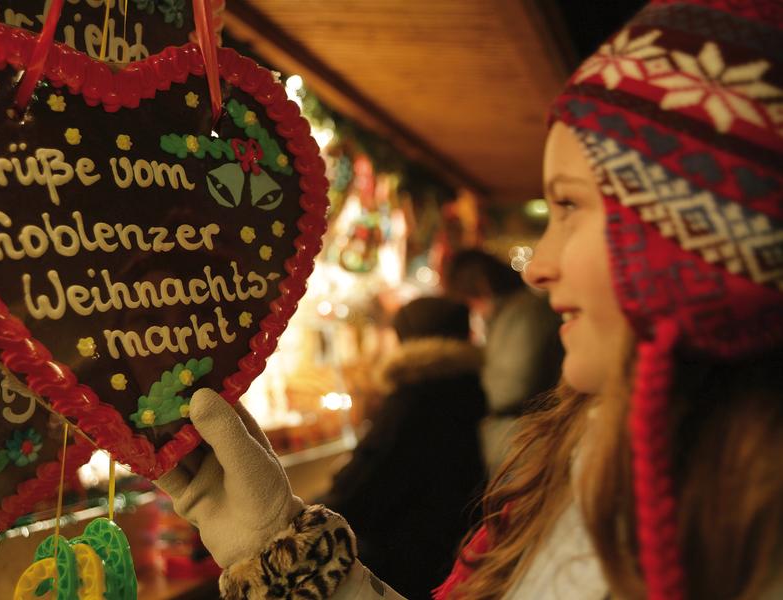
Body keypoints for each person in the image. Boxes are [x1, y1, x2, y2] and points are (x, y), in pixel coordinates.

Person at [155, 1, 783, 598]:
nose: (537, 267)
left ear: (692, 233)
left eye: (569, 204)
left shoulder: (728, 528)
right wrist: (274, 548)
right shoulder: (592, 464)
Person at [317, 296, 487, 599]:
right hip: (453, 547)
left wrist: (307, 514)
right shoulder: (468, 389)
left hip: (407, 557)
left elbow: (364, 483)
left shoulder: (412, 399)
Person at [444, 248, 563, 473]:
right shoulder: (512, 314)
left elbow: (511, 388)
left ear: (481, 286)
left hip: (524, 448)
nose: (474, 310)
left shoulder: (523, 314)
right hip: (519, 445)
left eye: (470, 300)